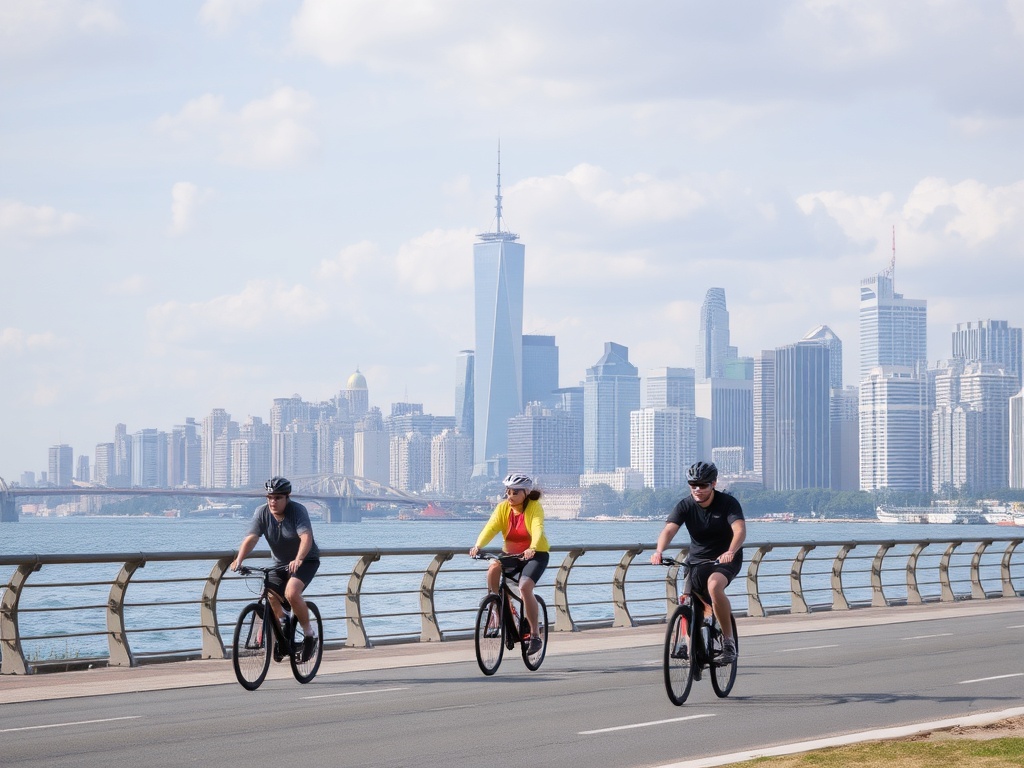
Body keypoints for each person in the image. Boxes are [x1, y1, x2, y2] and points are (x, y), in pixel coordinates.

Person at [650, 461, 745, 663]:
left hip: (725, 558)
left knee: (713, 586)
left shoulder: (728, 503)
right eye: (694, 485)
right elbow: (669, 530)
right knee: (686, 599)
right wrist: (658, 551)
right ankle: (689, 645)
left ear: (713, 484)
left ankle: (729, 643)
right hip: (697, 561)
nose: (698, 490)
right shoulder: (685, 505)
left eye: (703, 485)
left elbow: (739, 530)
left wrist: (730, 551)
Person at [231, 477, 320, 661]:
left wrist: (299, 558)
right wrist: (239, 559)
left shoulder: (297, 511)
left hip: (306, 560)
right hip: (280, 563)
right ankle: (284, 629)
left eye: (278, 497)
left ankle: (309, 635)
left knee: (292, 593)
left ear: (287, 497)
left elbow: (306, 537)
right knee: (270, 592)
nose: (273, 501)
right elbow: (252, 538)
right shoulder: (262, 513)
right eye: (269, 497)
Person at [469, 473, 550, 655]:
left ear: (526, 493)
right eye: (508, 492)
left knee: (524, 587)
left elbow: (537, 528)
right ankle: (496, 607)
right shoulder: (502, 508)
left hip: (535, 555)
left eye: (515, 493)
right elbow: (491, 527)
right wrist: (478, 545)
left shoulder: (534, 507)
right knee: (493, 568)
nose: (510, 496)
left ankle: (535, 635)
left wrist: (533, 547)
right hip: (511, 555)